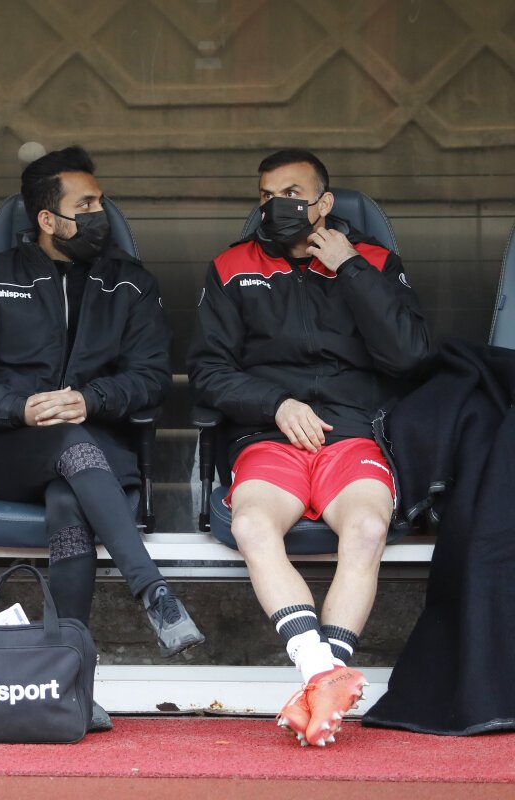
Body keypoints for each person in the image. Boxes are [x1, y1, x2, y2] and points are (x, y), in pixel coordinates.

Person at [0, 145, 205, 732]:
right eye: (87, 205)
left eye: (100, 202)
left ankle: (72, 686)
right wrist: (18, 408)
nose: (101, 214)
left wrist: (91, 399)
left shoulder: (130, 284)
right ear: (48, 219)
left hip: (97, 452)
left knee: (68, 499)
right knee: (65, 446)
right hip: (6, 451)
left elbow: (152, 376)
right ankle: (152, 589)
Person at [187, 149, 430, 747]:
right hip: (270, 433)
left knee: (367, 528)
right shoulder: (233, 267)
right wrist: (275, 403)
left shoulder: (373, 261)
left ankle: (322, 680)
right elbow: (208, 371)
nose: (276, 206)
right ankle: (323, 671)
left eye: (292, 194)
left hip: (353, 432)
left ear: (324, 203)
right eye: (266, 196)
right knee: (251, 524)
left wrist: (351, 268)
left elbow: (410, 357)